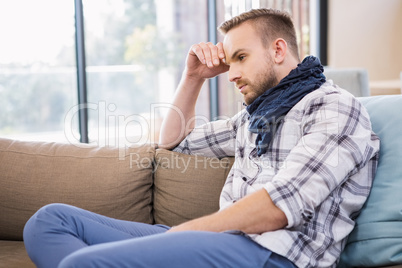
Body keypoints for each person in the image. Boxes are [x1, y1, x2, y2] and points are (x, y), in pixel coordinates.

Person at [23, 8, 379, 268]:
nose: (231, 74)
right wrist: (192, 77)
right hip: (223, 243)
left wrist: (183, 234)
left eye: (241, 58)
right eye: (228, 62)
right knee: (49, 221)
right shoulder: (251, 119)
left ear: (278, 50)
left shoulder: (333, 109)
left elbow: (279, 208)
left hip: (275, 255)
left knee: (78, 265)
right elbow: (173, 141)